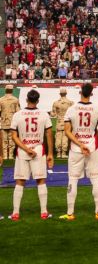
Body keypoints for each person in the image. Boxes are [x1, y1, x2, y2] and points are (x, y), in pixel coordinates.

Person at [7, 89, 54, 220]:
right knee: (40, 180)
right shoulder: (44, 114)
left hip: (22, 150)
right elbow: (49, 134)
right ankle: (44, 212)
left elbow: (14, 136)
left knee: (20, 181)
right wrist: (50, 153)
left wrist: (25, 148)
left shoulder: (18, 114)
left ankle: (15, 213)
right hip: (38, 149)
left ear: (26, 99)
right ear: (38, 100)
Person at [61, 83, 98, 221]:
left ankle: (70, 213)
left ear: (80, 92)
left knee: (73, 179)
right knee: (95, 179)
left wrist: (80, 144)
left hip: (76, 149)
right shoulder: (97, 109)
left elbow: (67, 131)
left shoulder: (71, 109)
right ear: (91, 93)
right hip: (92, 148)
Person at [51, 87, 73, 158]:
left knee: (58, 137)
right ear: (66, 93)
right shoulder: (70, 103)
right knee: (65, 137)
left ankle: (58, 153)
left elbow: (53, 114)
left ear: (60, 94)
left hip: (59, 122)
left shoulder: (56, 103)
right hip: (67, 122)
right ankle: (63, 153)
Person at [0, 84, 21, 161]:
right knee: (12, 140)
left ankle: (5, 156)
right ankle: (11, 155)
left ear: (5, 90)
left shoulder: (1, 99)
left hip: (3, 122)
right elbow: (18, 112)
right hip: (12, 123)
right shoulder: (15, 100)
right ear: (12, 90)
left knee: (4, 140)